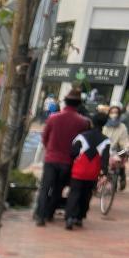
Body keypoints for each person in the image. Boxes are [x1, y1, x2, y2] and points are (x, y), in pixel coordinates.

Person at [33, 86, 90, 225]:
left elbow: (45, 137)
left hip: (51, 158)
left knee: (45, 188)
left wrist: (50, 149)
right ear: (78, 104)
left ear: (65, 102)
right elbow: (81, 143)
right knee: (58, 189)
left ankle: (40, 216)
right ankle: (49, 214)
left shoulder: (53, 118)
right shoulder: (83, 122)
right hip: (68, 161)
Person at [64, 114, 110, 230]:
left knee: (74, 193)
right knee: (86, 195)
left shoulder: (82, 136)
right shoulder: (105, 140)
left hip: (78, 170)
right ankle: (79, 217)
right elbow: (105, 159)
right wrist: (104, 173)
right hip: (92, 173)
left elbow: (73, 152)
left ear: (92, 122)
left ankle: (69, 217)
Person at [103, 103, 129, 188]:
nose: (114, 114)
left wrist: (125, 149)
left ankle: (122, 176)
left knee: (121, 158)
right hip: (105, 150)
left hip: (118, 150)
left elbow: (125, 142)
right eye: (112, 112)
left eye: (116, 112)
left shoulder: (122, 127)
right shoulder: (105, 125)